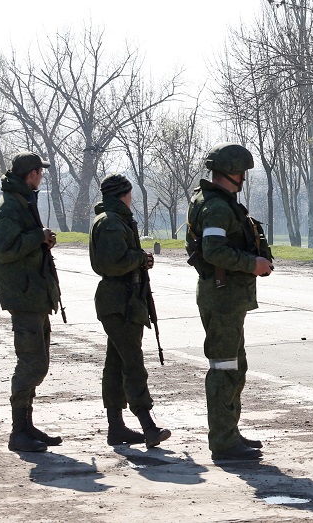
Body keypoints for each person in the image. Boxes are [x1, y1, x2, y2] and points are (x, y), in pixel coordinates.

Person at [186, 143, 273, 461]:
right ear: (232, 173)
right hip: (222, 298)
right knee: (224, 368)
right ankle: (223, 441)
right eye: (243, 173)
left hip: (225, 296)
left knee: (235, 366)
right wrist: (253, 264)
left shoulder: (211, 201)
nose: (245, 179)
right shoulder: (218, 207)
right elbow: (214, 251)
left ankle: (229, 433)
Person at [89, 173, 171, 449]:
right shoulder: (112, 222)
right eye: (130, 193)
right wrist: (140, 258)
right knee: (133, 365)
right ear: (124, 194)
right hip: (119, 302)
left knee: (115, 365)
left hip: (122, 301)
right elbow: (112, 264)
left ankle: (117, 428)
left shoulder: (113, 219)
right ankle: (148, 425)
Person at [0, 151, 62, 453]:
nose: (42, 176)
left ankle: (27, 425)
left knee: (38, 362)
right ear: (31, 174)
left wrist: (42, 238)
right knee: (31, 363)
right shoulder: (9, 207)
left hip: (34, 294)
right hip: (24, 296)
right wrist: (38, 236)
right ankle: (18, 431)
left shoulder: (22, 201)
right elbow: (5, 250)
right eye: (40, 172)